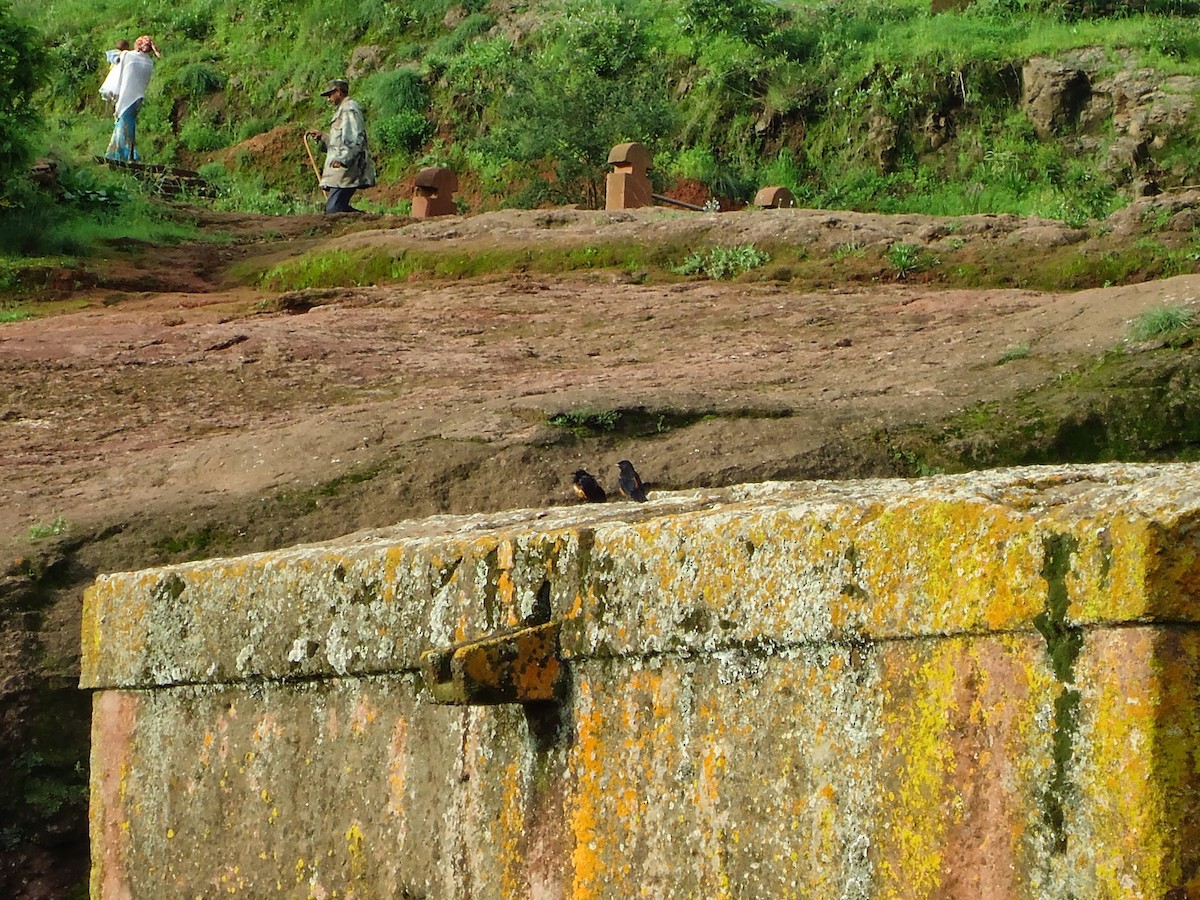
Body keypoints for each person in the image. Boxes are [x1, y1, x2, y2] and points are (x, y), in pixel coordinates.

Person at [306, 79, 376, 214]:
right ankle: (366, 221)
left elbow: (354, 139)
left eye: (330, 95)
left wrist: (343, 159)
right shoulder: (343, 110)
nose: (328, 99)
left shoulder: (349, 109)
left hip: (346, 169)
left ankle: (368, 221)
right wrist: (323, 137)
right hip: (341, 170)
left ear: (338, 92)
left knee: (334, 209)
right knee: (336, 207)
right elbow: (340, 140)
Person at [100, 35, 160, 162]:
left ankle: (123, 154)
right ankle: (120, 152)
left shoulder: (129, 57)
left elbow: (116, 60)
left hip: (127, 96)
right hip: (138, 97)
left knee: (123, 123)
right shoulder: (149, 62)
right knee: (128, 122)